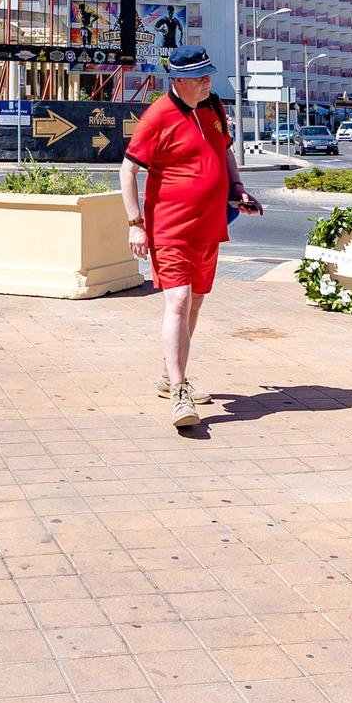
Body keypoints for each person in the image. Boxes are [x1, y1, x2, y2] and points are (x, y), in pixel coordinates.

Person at [117, 44, 261, 430]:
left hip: (210, 226)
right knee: (178, 300)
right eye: (199, 77)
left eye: (209, 74)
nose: (207, 81)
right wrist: (135, 223)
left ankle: (170, 375)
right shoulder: (157, 117)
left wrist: (237, 188)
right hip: (170, 228)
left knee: (195, 303)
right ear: (177, 81)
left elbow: (224, 150)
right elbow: (127, 172)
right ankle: (179, 391)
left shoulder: (213, 107)